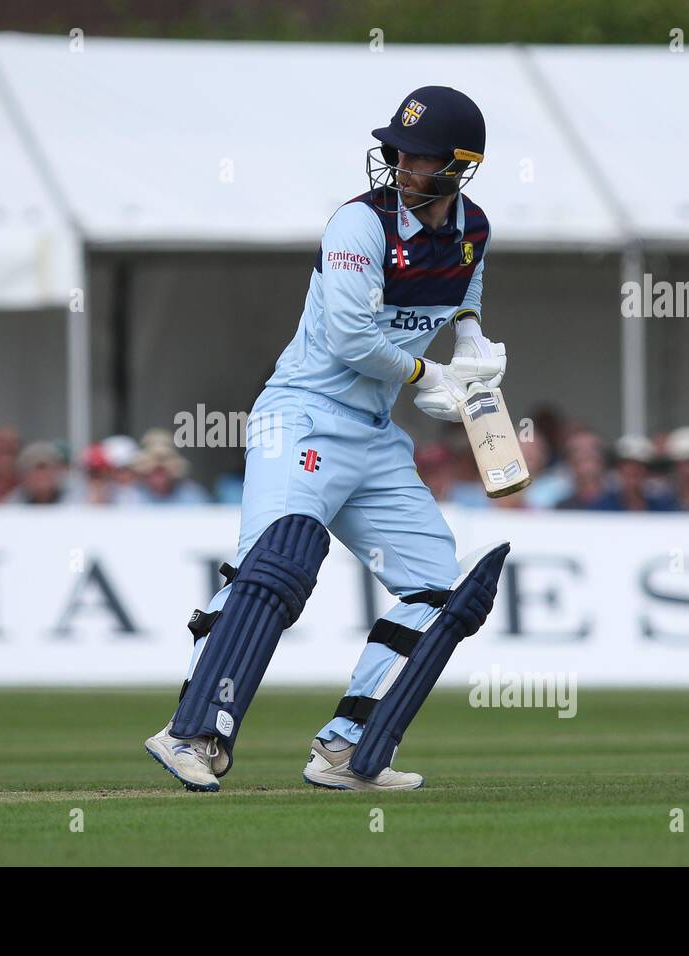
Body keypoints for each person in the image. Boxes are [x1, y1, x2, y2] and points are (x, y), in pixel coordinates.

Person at [145, 87, 508, 793]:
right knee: (276, 563)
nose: (402, 165)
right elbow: (348, 338)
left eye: (422, 156)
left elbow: (468, 293)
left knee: (439, 586)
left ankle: (346, 747)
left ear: (461, 166)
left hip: (373, 436)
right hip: (304, 413)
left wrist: (472, 347)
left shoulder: (473, 229)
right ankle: (193, 730)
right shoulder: (358, 225)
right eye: (398, 150)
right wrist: (424, 372)